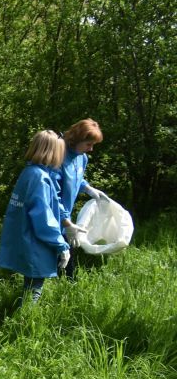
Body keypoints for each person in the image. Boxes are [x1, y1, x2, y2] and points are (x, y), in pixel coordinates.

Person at [0, 129, 71, 308]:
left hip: (24, 238)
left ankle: (19, 319)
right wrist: (62, 245)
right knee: (34, 289)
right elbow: (44, 218)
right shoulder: (40, 178)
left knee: (29, 286)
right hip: (35, 242)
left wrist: (67, 221)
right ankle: (22, 325)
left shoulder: (29, 172)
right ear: (53, 152)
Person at [56, 119, 109, 279]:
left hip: (66, 214)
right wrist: (64, 220)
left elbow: (77, 179)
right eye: (88, 144)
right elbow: (50, 194)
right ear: (77, 139)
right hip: (52, 213)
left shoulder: (82, 157)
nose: (91, 149)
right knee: (52, 254)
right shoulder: (58, 156)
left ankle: (66, 288)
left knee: (68, 254)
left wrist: (88, 188)